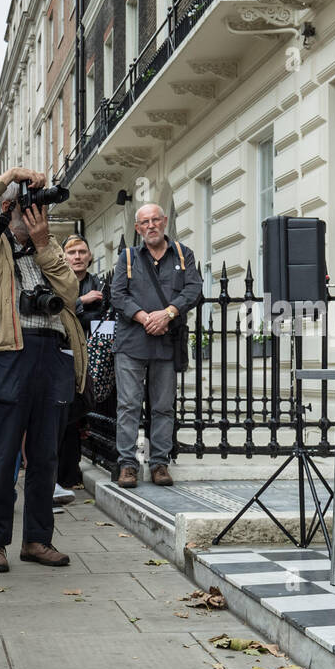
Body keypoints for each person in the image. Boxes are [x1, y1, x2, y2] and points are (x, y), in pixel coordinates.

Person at [0, 168, 87, 571]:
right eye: (25, 207)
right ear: (8, 208)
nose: (34, 213)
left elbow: (70, 292)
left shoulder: (47, 247)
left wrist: (43, 243)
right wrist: (10, 176)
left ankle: (37, 540)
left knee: (45, 458)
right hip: (6, 353)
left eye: (36, 207)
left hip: (51, 354)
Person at [109, 203, 202, 489]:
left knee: (163, 407)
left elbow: (194, 289)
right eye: (144, 222)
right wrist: (144, 316)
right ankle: (127, 465)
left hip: (165, 343)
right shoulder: (127, 257)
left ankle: (159, 463)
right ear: (137, 229)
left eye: (155, 220)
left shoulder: (183, 255)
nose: (151, 226)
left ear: (164, 222)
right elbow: (117, 294)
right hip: (131, 343)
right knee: (128, 406)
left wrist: (168, 313)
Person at [55, 233, 103, 494]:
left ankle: (70, 474)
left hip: (90, 356)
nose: (77, 257)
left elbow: (101, 321)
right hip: (62, 354)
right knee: (62, 415)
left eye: (82, 252)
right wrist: (81, 302)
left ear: (89, 256)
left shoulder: (99, 283)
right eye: (72, 252)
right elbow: (58, 311)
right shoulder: (59, 281)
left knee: (78, 415)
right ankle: (59, 475)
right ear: (64, 256)